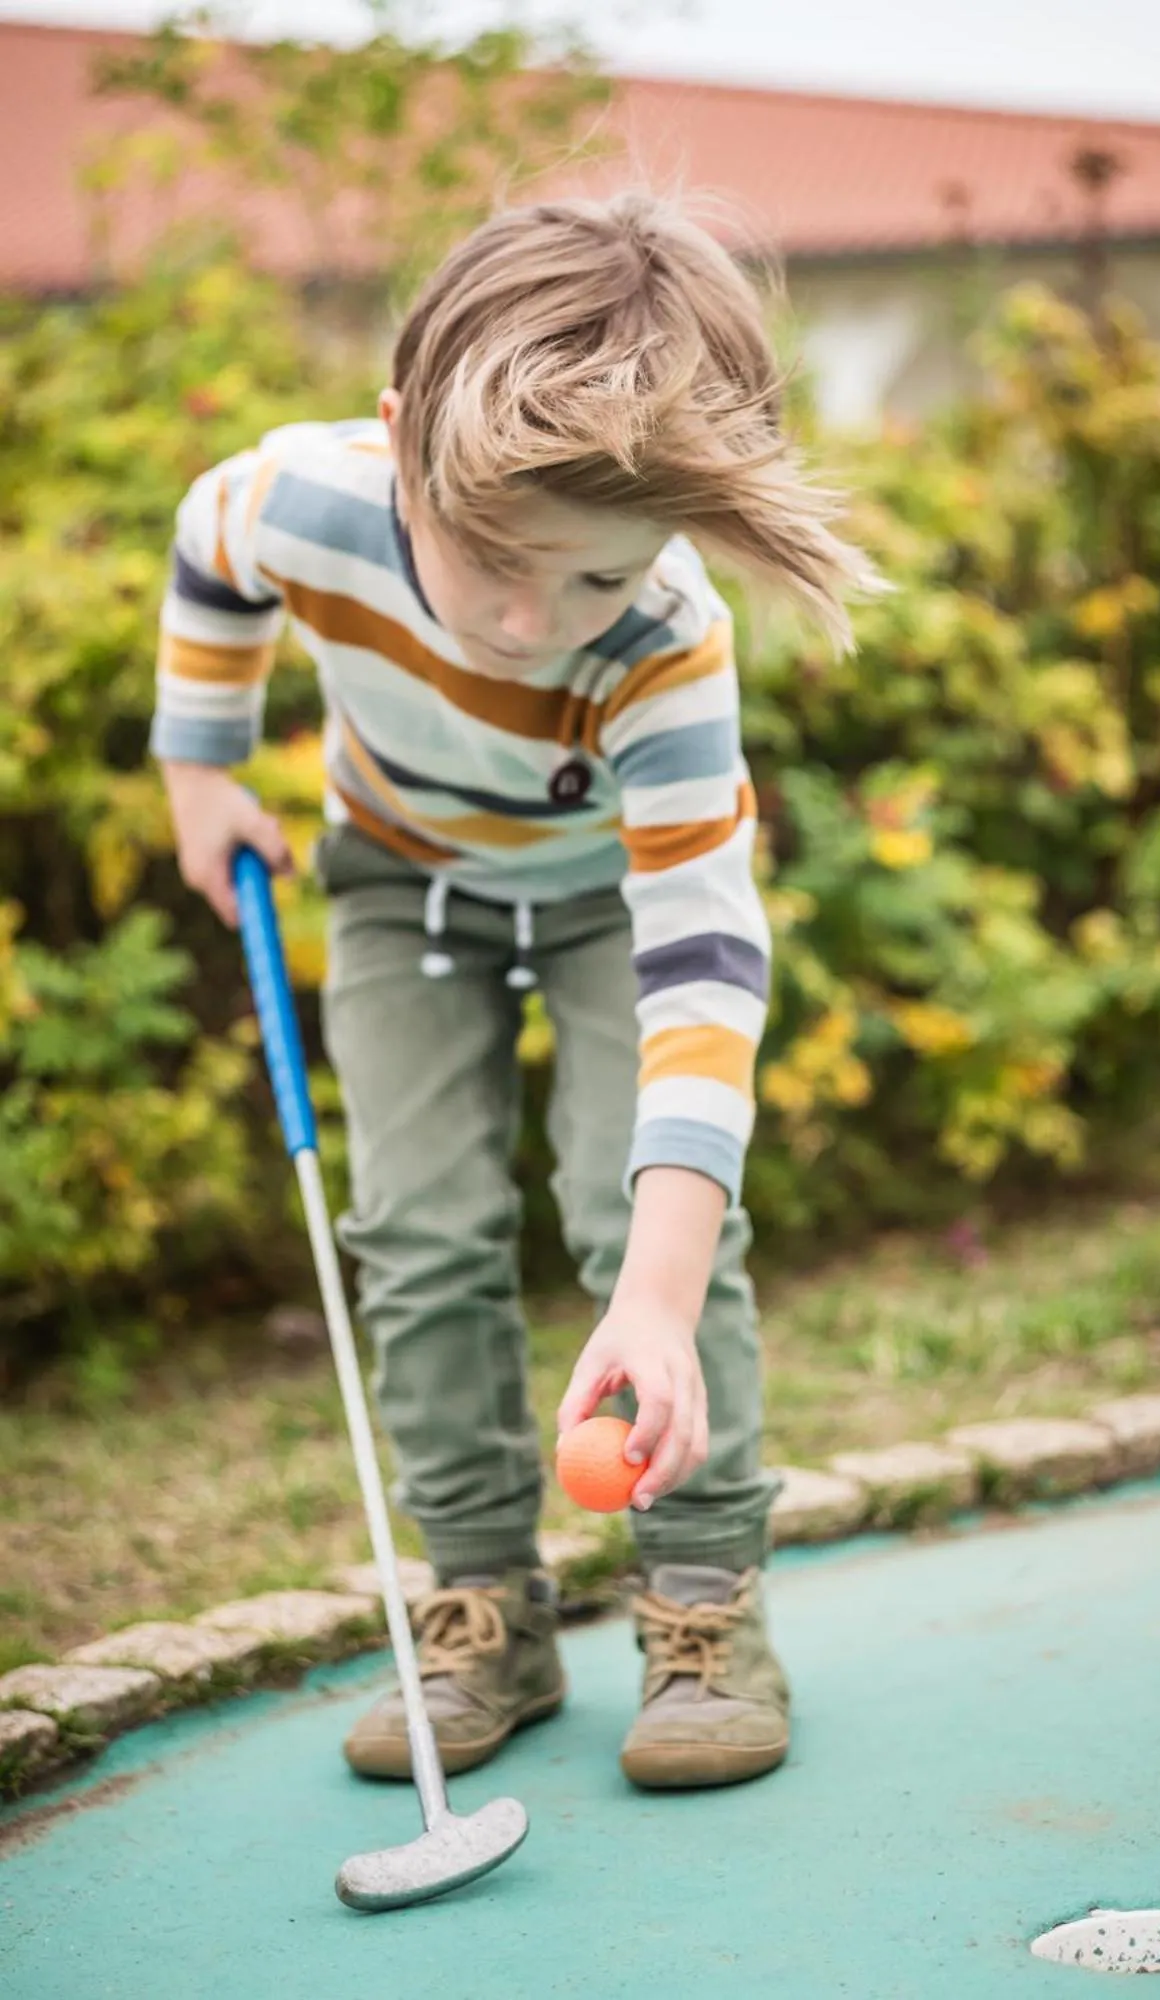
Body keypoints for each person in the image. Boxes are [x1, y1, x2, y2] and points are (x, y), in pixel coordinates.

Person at [155, 191, 872, 1791]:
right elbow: (209, 546)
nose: (527, 624)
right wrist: (199, 767)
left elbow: (703, 954)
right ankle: (484, 1602)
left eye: (593, 582)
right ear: (404, 437)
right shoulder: (306, 497)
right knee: (417, 1225)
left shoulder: (668, 642)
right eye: (490, 560)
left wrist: (660, 1298)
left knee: (651, 1240)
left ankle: (703, 1601)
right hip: (398, 878)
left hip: (611, 913)